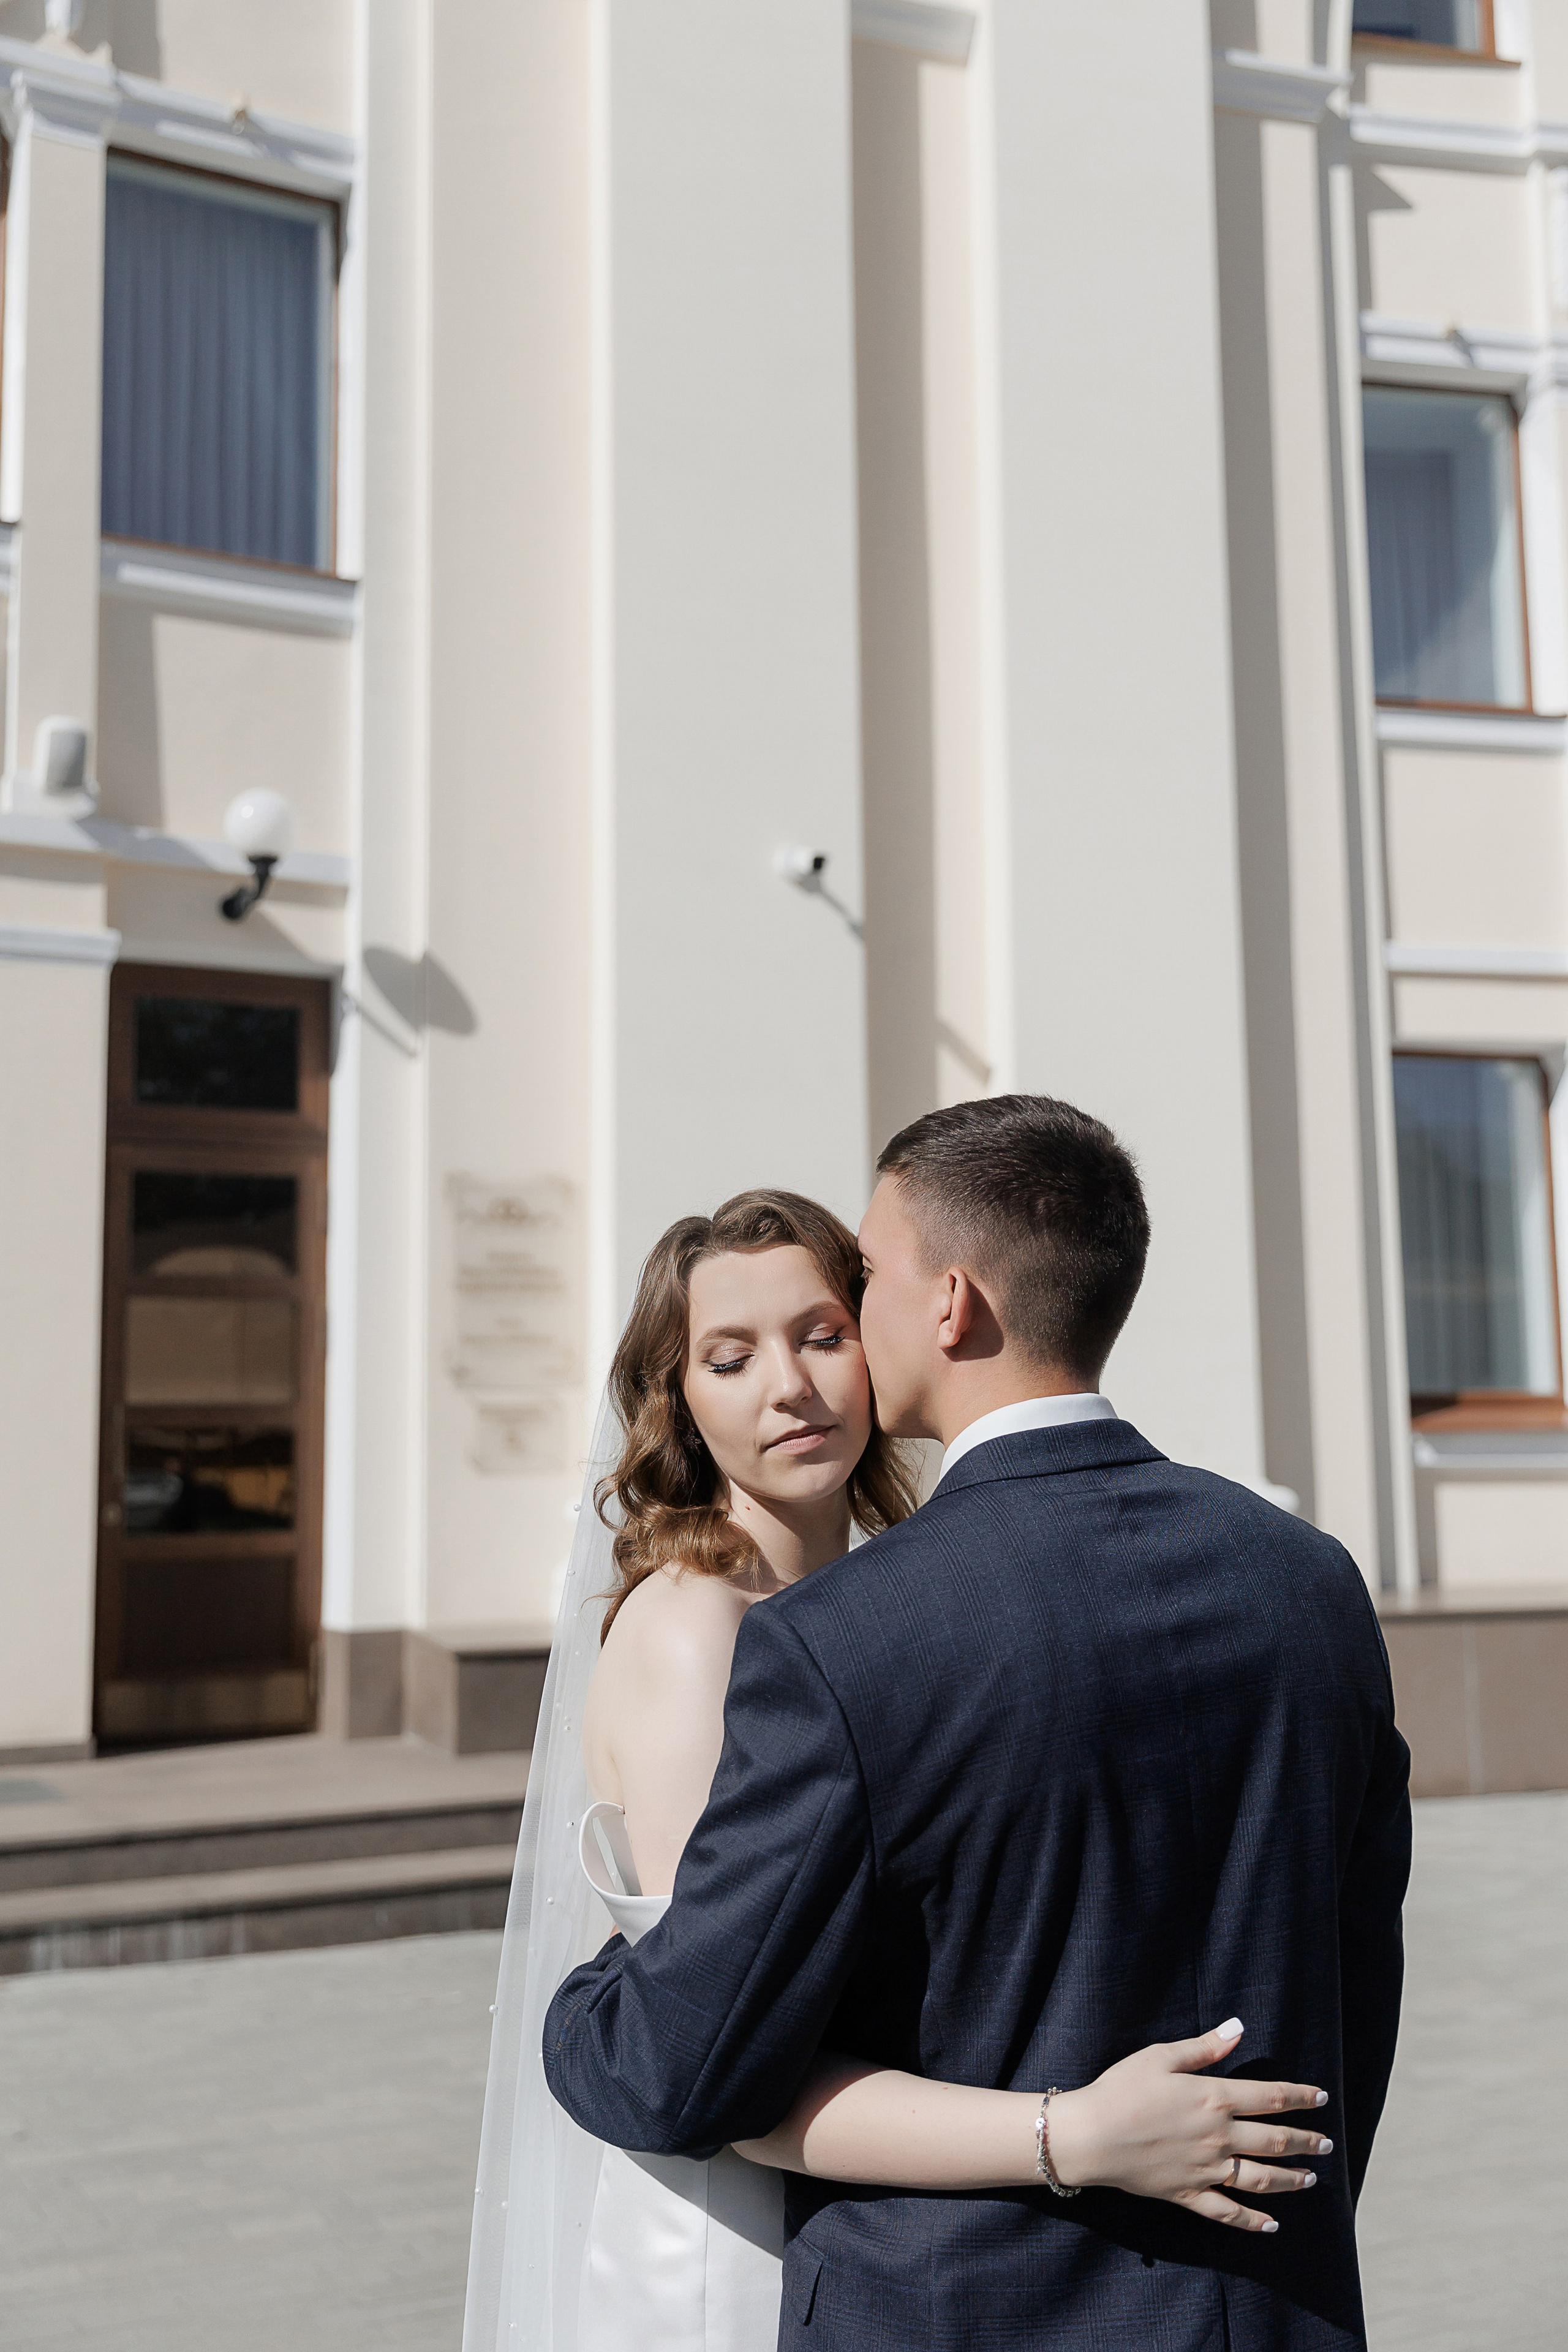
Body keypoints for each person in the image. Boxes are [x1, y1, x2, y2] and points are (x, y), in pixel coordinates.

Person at [515, 1096, 1409, 2348]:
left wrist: (579, 2010)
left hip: (957, 2308)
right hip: (1258, 2303)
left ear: (944, 1305)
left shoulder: (853, 1637)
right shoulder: (1310, 1579)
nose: (803, 1374)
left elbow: (685, 2061)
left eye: (848, 1299)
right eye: (730, 1356)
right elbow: (1354, 1977)